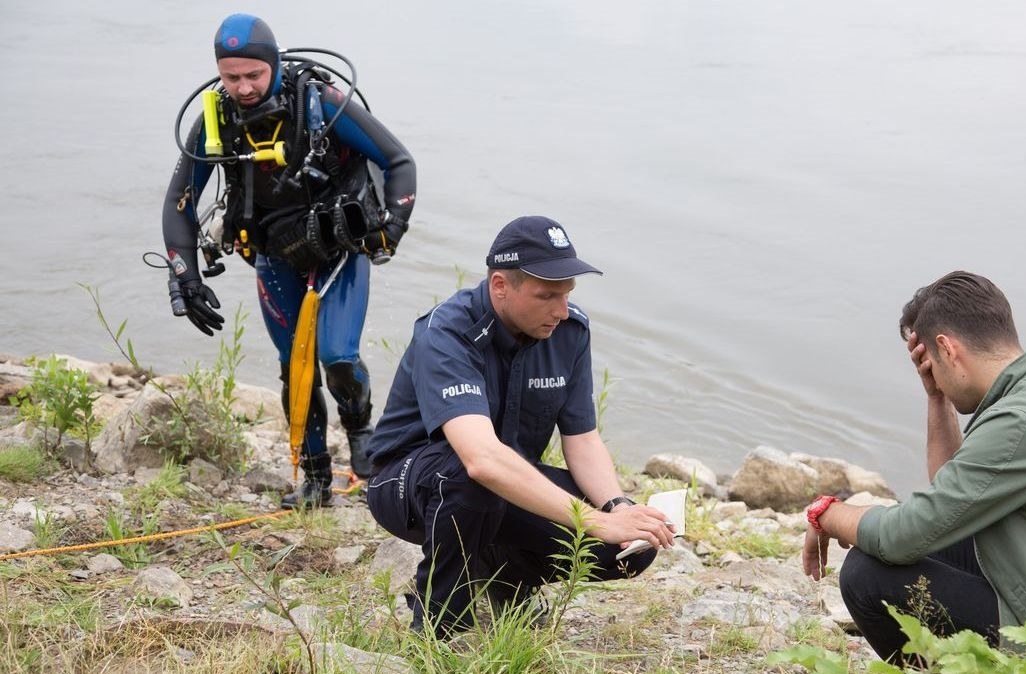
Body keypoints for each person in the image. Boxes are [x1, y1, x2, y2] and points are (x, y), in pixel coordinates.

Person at [802, 271, 1026, 673]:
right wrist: (937, 397)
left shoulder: (1020, 424)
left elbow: (900, 535)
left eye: (934, 363)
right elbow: (952, 499)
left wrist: (825, 513)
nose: (933, 373)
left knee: (867, 573)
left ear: (946, 347)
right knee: (934, 537)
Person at [365, 215, 676, 637]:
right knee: (471, 479)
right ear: (500, 286)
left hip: (500, 484)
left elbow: (582, 439)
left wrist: (617, 508)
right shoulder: (447, 331)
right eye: (547, 295)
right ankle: (441, 629)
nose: (561, 310)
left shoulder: (569, 330)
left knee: (627, 550)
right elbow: (481, 461)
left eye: (567, 294)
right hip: (407, 485)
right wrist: (596, 521)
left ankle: (506, 580)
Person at [161, 14, 416, 508]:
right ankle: (316, 478)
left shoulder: (322, 103)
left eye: (254, 75)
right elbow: (179, 204)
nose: (244, 87)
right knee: (293, 368)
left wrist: (392, 228)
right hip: (273, 257)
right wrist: (184, 277)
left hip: (339, 250)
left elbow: (399, 161)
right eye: (231, 77)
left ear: (274, 64)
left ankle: (363, 430)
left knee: (337, 360)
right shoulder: (216, 119)